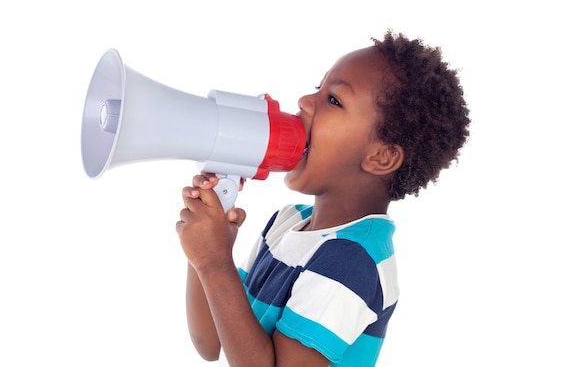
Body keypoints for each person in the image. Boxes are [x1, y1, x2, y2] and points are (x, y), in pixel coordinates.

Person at [175, 30, 470, 366]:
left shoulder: (352, 261)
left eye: (334, 100)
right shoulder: (286, 224)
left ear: (381, 157)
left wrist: (215, 262)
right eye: (318, 87)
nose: (304, 100)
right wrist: (203, 252)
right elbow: (209, 341)